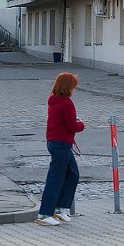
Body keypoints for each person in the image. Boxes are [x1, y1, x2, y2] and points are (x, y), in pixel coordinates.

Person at [37, 72, 85, 226]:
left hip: (56, 142)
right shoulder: (66, 103)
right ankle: (44, 213)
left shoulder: (54, 100)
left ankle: (58, 208)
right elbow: (72, 126)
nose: (74, 89)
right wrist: (81, 124)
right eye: (73, 86)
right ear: (68, 86)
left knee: (72, 174)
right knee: (56, 178)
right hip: (62, 144)